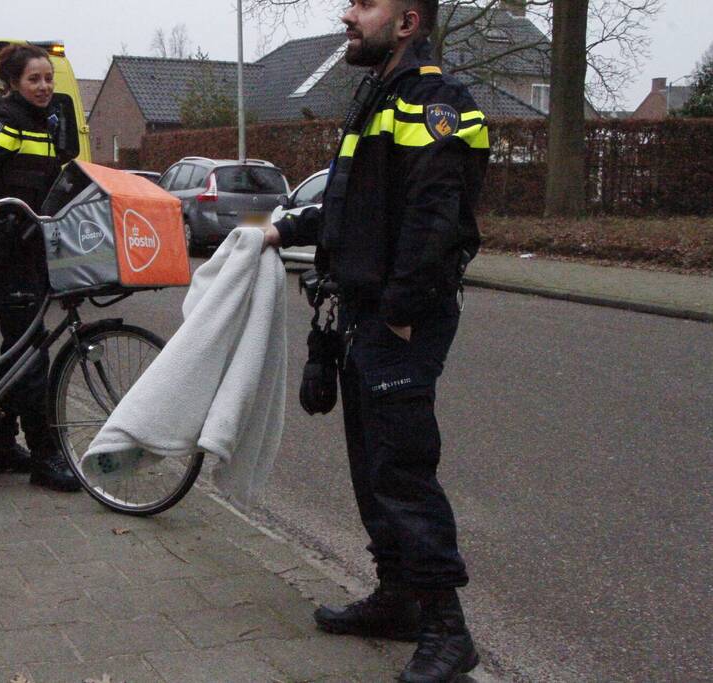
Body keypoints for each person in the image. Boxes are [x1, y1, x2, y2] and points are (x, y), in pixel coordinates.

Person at [263, 1, 490, 681]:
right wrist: (282, 229)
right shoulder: (379, 96)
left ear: (408, 21)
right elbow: (353, 200)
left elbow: (435, 212)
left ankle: (447, 629)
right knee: (370, 467)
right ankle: (397, 598)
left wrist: (397, 310)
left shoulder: (435, 99)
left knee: (400, 467)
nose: (346, 15)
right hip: (365, 312)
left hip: (399, 316)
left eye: (365, 4)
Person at [0, 44, 79, 491]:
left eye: (48, 79)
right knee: (31, 354)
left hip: (34, 247)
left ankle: (0, 447)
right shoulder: (5, 123)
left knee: (19, 350)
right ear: (13, 83)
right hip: (7, 250)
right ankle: (46, 457)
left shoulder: (48, 124)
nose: (44, 87)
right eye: (34, 80)